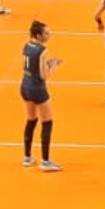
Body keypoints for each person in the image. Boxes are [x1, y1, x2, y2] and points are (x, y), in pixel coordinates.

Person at [21, 20, 62, 171]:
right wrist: (53, 66)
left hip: (25, 85)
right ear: (38, 35)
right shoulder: (42, 50)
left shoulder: (26, 45)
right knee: (47, 122)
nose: (49, 35)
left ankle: (27, 157)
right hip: (37, 88)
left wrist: (46, 64)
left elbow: (30, 66)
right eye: (46, 33)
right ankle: (45, 161)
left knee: (31, 120)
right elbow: (43, 75)